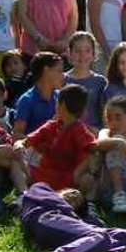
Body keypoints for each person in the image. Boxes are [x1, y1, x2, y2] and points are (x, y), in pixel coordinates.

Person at [22, 85, 106, 223]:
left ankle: (23, 195)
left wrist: (19, 146)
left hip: (59, 180)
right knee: (92, 163)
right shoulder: (53, 126)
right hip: (51, 177)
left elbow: (92, 147)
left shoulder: (77, 129)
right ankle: (22, 196)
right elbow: (28, 141)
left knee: (90, 169)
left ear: (61, 105)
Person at [21, 183, 126, 252]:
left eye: (76, 203)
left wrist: (85, 222)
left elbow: (99, 225)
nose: (73, 196)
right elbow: (56, 203)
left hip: (61, 232)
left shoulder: (74, 219)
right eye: (72, 192)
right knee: (100, 236)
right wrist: (77, 218)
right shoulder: (41, 188)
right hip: (47, 218)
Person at [64, 32, 107, 129]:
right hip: (69, 130)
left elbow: (105, 112)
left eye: (87, 50)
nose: (82, 55)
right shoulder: (62, 80)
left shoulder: (100, 81)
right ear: (70, 53)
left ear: (93, 53)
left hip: (94, 131)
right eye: (77, 51)